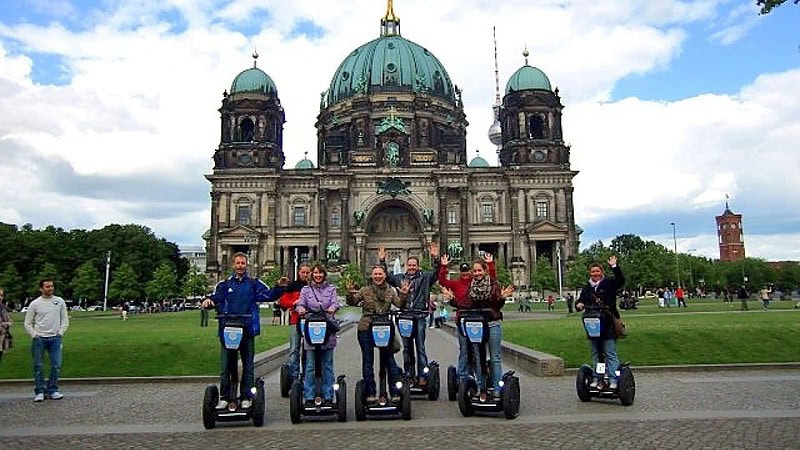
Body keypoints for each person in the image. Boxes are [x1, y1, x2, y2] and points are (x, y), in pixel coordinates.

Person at [201, 252, 287, 410]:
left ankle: (246, 396)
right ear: (233, 265)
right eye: (238, 263)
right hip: (227, 330)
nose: (240, 265)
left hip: (247, 329)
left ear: (246, 264)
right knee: (226, 366)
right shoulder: (224, 285)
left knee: (248, 365)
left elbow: (268, 295)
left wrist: (279, 288)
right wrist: (208, 301)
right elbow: (215, 298)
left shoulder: (253, 283)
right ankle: (225, 397)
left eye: (243, 263)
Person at [449, 258, 513, 399]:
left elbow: (497, 304)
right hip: (478, 326)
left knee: (495, 357)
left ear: (485, 271)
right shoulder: (471, 287)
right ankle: (480, 387)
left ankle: (496, 388)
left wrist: (501, 297)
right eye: (475, 271)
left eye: (480, 270)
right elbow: (465, 304)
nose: (477, 273)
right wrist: (452, 300)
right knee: (479, 358)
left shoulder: (494, 284)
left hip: (492, 324)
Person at [379, 243, 440, 387]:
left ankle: (422, 375)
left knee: (420, 347)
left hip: (419, 316)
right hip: (405, 318)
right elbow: (387, 277)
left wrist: (436, 258)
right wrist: (382, 261)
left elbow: (437, 273)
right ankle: (409, 375)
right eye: (410, 265)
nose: (411, 267)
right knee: (407, 348)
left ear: (418, 266)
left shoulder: (425, 277)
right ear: (406, 266)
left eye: (414, 265)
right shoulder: (400, 278)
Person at [346, 265, 410, 402]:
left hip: (384, 328)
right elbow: (352, 302)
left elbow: (400, 305)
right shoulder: (365, 290)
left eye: (380, 274)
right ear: (372, 276)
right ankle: (370, 392)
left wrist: (404, 294)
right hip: (366, 328)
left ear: (385, 275)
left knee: (389, 360)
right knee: (368, 361)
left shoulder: (391, 291)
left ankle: (394, 391)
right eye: (375, 274)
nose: (378, 276)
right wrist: (350, 293)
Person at [438, 253, 496, 384]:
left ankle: (479, 377)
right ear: (460, 272)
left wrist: (491, 265)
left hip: (479, 320)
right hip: (463, 321)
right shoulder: (456, 283)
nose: (465, 273)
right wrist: (443, 266)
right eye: (462, 271)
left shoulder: (475, 282)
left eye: (467, 270)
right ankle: (463, 378)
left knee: (477, 350)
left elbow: (492, 280)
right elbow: (442, 282)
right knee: (464, 350)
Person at [575, 256, 624, 390]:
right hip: (593, 324)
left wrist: (614, 266)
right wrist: (579, 304)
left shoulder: (608, 283)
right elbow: (580, 301)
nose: (595, 273)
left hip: (608, 323)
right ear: (590, 273)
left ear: (601, 272)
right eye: (593, 272)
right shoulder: (587, 288)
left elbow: (620, 281)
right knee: (596, 353)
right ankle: (598, 378)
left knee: (609, 352)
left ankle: (613, 378)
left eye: (597, 271)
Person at [295, 265, 339, 406]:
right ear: (312, 275)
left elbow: (335, 303)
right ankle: (309, 395)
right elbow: (300, 304)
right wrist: (301, 309)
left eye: (320, 272)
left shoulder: (331, 289)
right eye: (315, 273)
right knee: (310, 366)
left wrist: (332, 308)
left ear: (324, 274)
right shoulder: (306, 290)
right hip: (312, 329)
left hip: (327, 328)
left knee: (327, 365)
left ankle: (328, 395)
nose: (318, 275)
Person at [24, 279, 69, 402]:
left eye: (52, 286)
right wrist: (34, 334)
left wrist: (60, 333)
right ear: (41, 288)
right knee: (38, 366)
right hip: (40, 339)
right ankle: (40, 391)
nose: (50, 289)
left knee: (56, 365)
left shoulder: (59, 301)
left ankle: (53, 389)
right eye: (48, 287)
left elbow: (65, 319)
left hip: (55, 338)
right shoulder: (35, 304)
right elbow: (27, 323)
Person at [277, 263, 311, 382]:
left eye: (308, 272)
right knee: (294, 349)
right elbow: (283, 301)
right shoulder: (292, 286)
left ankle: (308, 375)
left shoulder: (313, 286)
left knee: (309, 350)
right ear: (299, 272)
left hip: (311, 322)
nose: (306, 275)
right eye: (303, 272)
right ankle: (294, 376)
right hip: (295, 321)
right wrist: (293, 303)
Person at [0, 288, 13, 363]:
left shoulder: (3, 308)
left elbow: (10, 320)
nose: (0, 297)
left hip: (2, 339)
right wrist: (5, 323)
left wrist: (7, 323)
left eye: (1, 295)